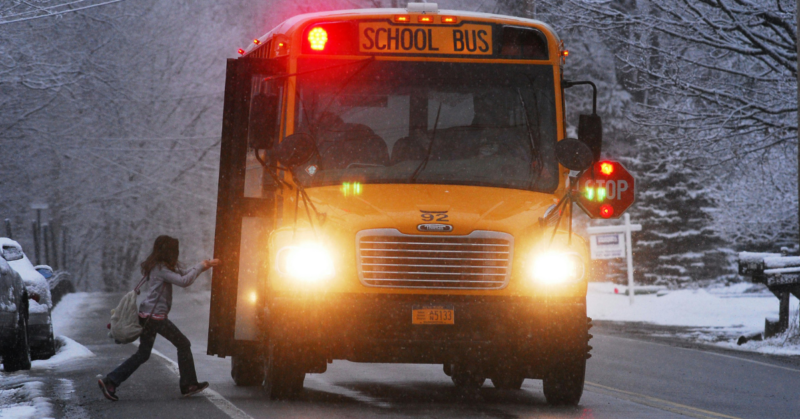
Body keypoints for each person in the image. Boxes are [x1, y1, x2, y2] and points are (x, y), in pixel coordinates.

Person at [98, 235, 221, 401]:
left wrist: (204, 266)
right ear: (168, 252)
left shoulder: (159, 267)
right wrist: (200, 266)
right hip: (155, 318)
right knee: (183, 344)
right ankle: (189, 384)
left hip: (147, 316)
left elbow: (184, 273)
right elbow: (184, 281)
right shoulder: (161, 269)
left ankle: (111, 381)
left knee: (143, 354)